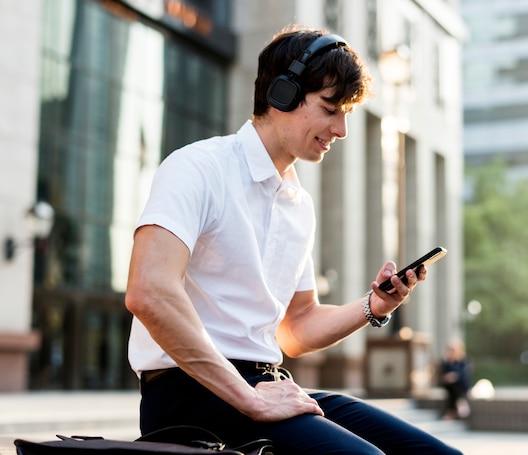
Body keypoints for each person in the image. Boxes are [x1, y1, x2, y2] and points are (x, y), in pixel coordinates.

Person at [125, 25, 463, 455]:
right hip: (191, 391)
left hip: (268, 384)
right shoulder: (196, 167)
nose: (340, 129)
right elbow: (149, 292)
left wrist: (372, 307)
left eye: (346, 114)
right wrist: (247, 397)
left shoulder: (298, 203)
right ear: (281, 94)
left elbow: (295, 329)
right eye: (330, 108)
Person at [439, 339, 472, 420]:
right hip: (450, 386)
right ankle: (460, 402)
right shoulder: (446, 363)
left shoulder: (463, 361)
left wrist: (454, 376)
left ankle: (451, 411)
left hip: (461, 385)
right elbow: (443, 375)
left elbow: (464, 374)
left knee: (455, 387)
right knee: (452, 388)